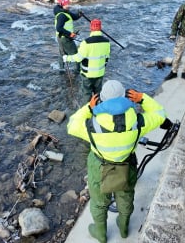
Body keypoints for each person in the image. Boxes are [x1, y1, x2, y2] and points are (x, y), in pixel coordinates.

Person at [67, 80, 173, 243]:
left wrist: (89, 108)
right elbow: (160, 114)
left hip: (99, 167)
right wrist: (142, 98)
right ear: (125, 98)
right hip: (126, 165)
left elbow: (71, 125)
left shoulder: (92, 126)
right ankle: (123, 228)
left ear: (101, 100)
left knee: (99, 203)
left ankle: (101, 234)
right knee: (125, 197)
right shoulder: (138, 122)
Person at [63, 19, 110, 102]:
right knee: (98, 95)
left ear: (91, 28)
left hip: (87, 75)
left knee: (86, 95)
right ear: (100, 28)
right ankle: (98, 112)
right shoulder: (107, 42)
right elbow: (107, 58)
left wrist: (67, 58)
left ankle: (87, 113)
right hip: (100, 73)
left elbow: (78, 58)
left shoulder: (86, 43)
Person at [54, 0, 83, 73]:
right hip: (65, 38)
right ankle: (77, 71)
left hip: (61, 38)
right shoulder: (62, 15)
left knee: (63, 53)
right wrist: (70, 34)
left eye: (68, 3)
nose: (68, 5)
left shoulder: (65, 12)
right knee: (76, 54)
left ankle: (61, 69)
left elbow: (74, 17)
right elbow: (59, 28)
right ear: (62, 5)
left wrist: (79, 15)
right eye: (66, 4)